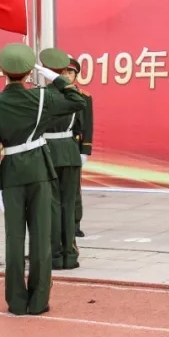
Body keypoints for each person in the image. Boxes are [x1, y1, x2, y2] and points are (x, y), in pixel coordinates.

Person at [0, 42, 85, 316]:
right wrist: (54, 77)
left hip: (11, 174)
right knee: (41, 237)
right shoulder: (41, 98)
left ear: (2, 70)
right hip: (40, 172)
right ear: (29, 72)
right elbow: (79, 101)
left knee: (14, 239)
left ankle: (16, 302)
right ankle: (38, 301)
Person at [39, 48, 83, 271]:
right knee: (68, 205)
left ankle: (55, 255)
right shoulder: (72, 94)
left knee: (52, 206)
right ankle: (70, 254)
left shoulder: (41, 95)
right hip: (69, 150)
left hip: (47, 151)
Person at [70, 56, 93, 238]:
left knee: (73, 188)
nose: (67, 75)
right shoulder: (51, 94)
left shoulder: (84, 97)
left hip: (74, 145)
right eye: (63, 72)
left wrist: (85, 149)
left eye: (70, 72)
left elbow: (88, 125)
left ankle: (75, 223)